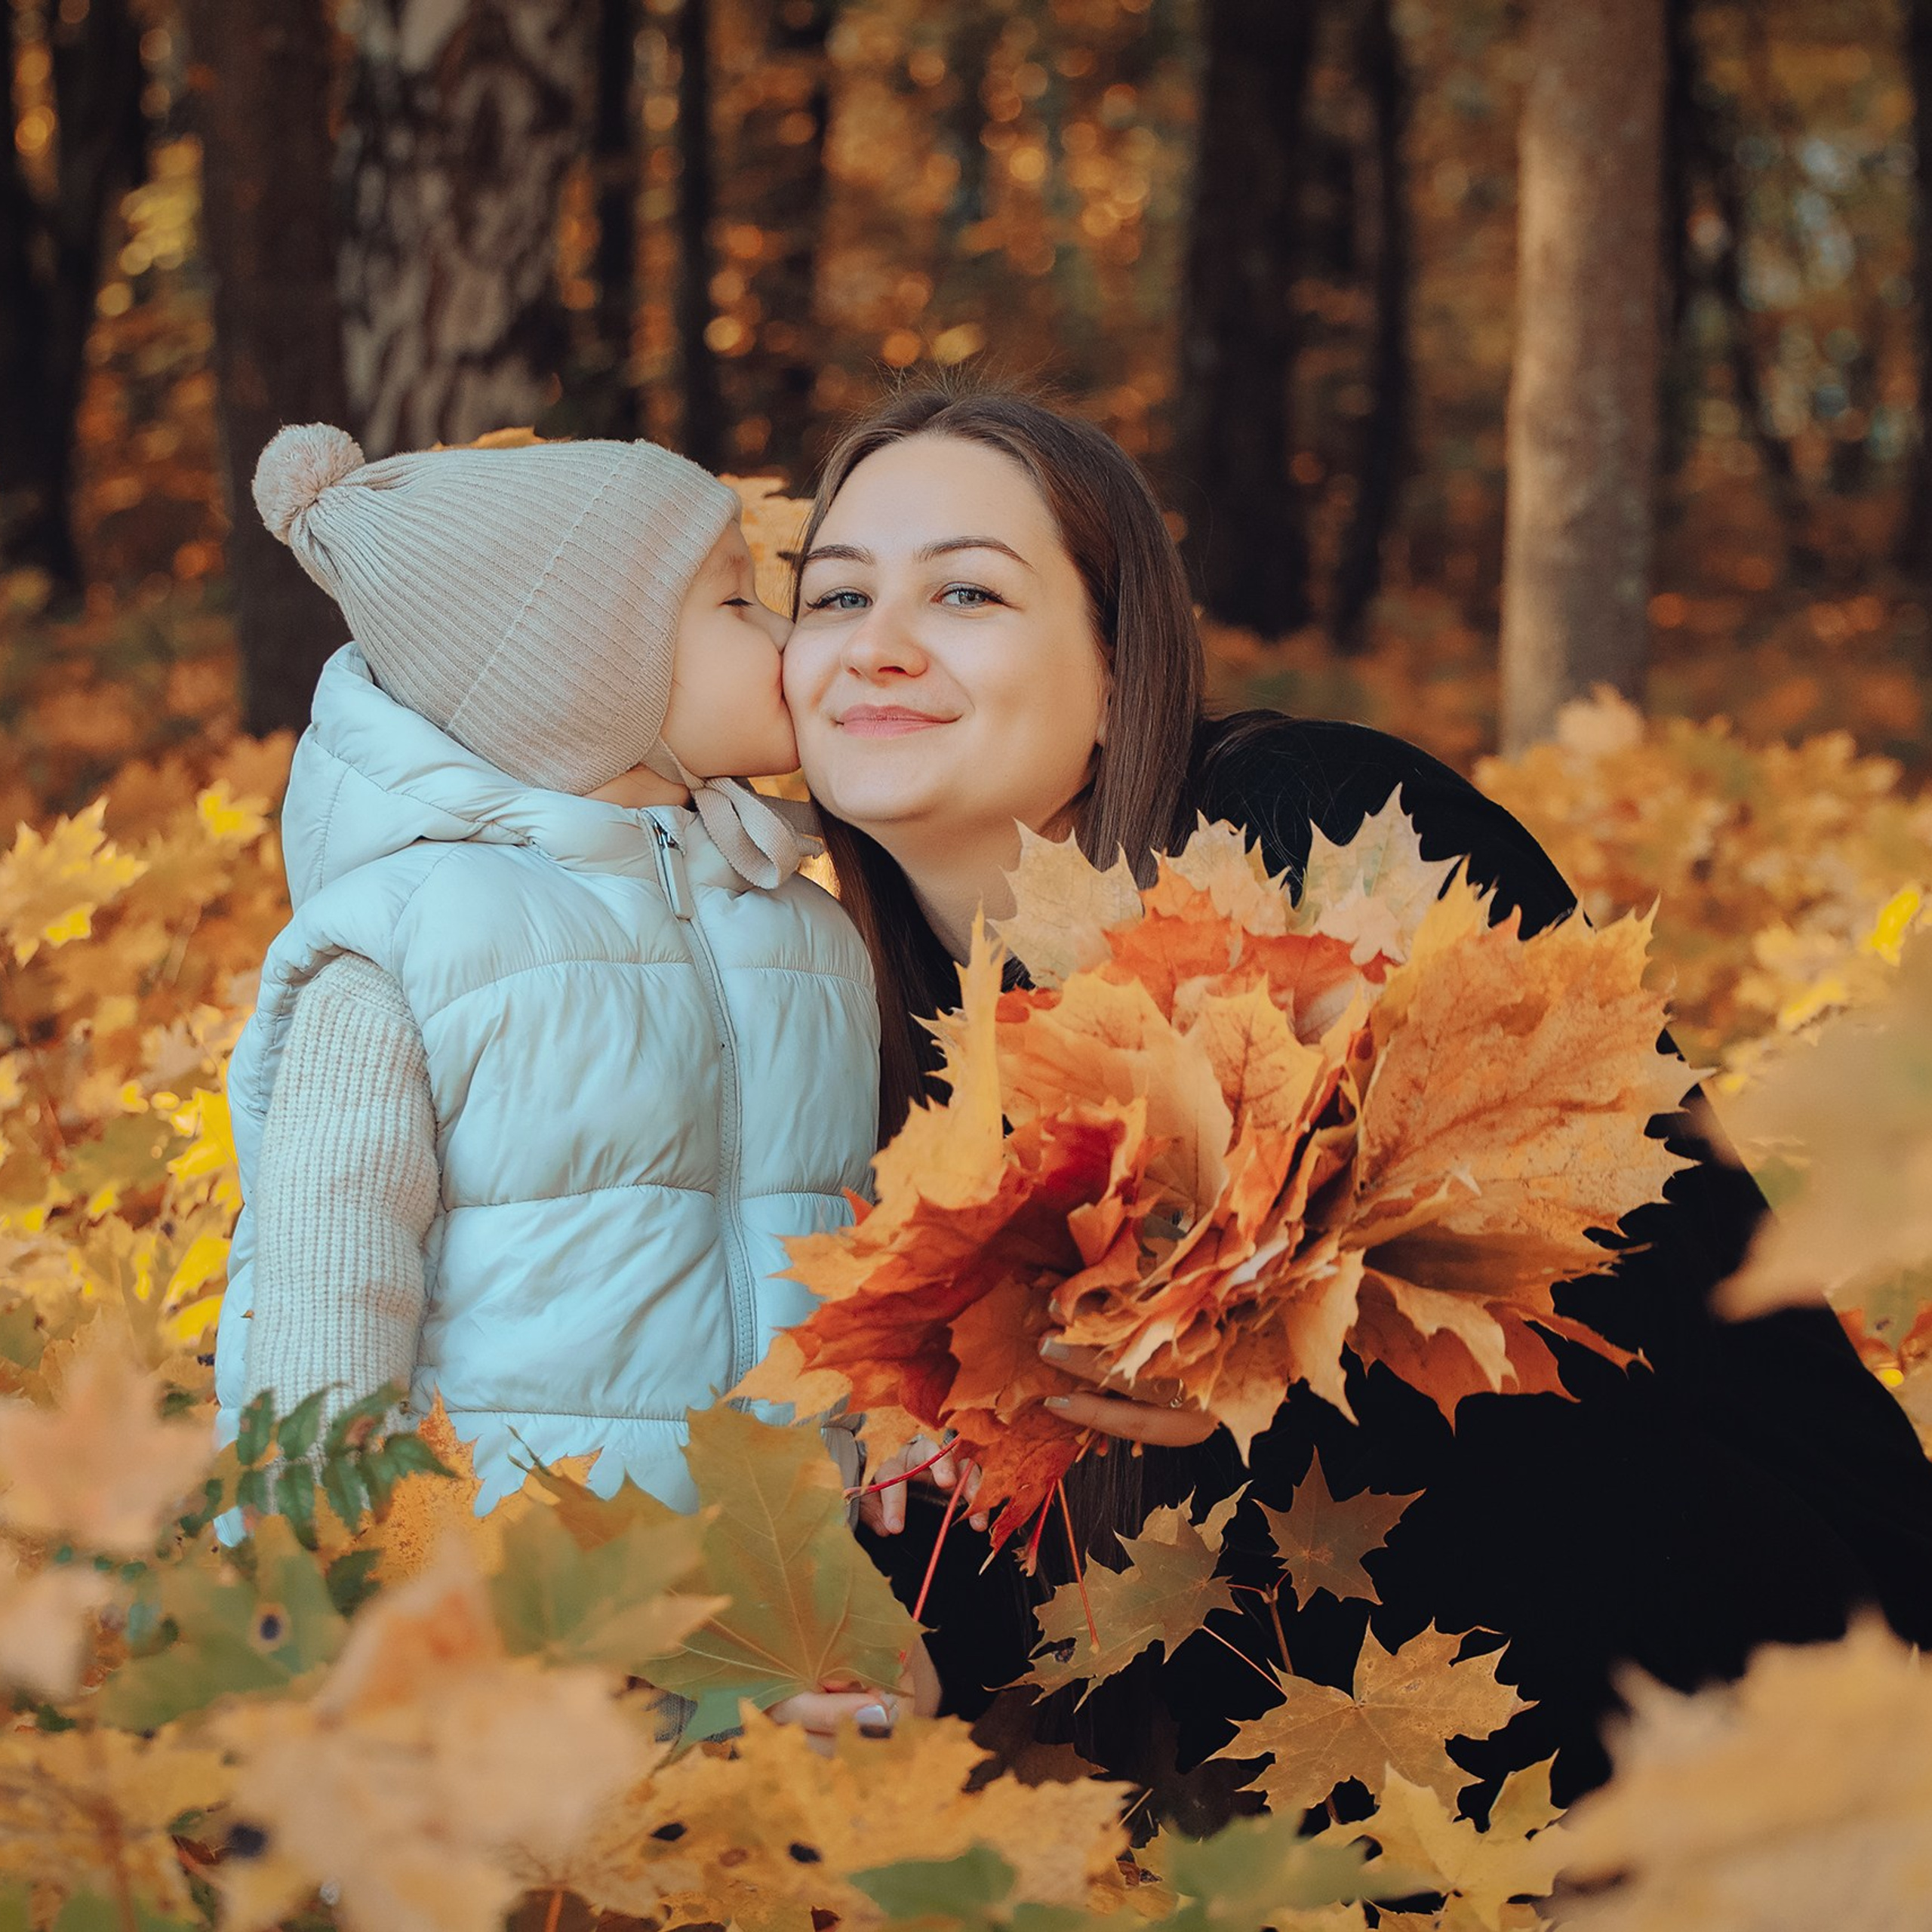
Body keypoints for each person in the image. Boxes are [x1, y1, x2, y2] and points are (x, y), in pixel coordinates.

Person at [779, 379, 1932, 1815]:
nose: (876, 647)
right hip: (1313, 1800)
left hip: (1731, 1695)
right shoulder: (859, 1033)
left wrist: (1266, 1353)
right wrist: (907, 1662)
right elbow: (1010, 1510)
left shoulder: (1316, 837)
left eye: (964, 592)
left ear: (1124, 670)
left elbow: (1620, 1300)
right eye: (832, 599)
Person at [214, 422, 881, 1519]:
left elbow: (844, 1240)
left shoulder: (806, 929)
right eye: (735, 602)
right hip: (510, 1597)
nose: (784, 637)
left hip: (771, 1597)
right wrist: (330, 1589)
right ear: (587, 674)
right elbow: (328, 1295)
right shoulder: (411, 947)